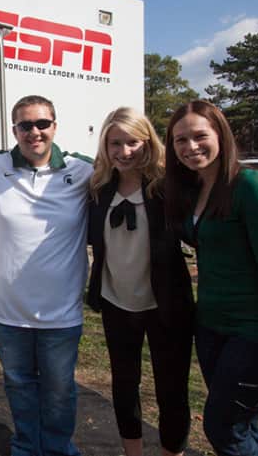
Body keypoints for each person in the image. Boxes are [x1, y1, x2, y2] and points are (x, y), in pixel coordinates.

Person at [164, 100, 258, 456]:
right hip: (213, 328)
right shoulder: (193, 189)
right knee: (242, 423)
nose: (190, 147)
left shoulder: (251, 187)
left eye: (200, 136)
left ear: (221, 134)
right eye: (180, 140)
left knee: (223, 427)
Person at [0, 95, 92, 456]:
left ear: (55, 126)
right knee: (18, 386)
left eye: (42, 124)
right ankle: (25, 447)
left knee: (59, 390)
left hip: (61, 312)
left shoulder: (83, 171)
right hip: (6, 311)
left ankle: (57, 449)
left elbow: (130, 171)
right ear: (14, 129)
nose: (34, 132)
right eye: (25, 125)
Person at [87, 108, 193, 456]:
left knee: (171, 387)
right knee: (125, 384)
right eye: (115, 143)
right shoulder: (99, 188)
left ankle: (170, 452)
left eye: (132, 142)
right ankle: (132, 451)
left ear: (147, 142)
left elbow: (218, 195)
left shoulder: (168, 186)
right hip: (117, 302)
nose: (124, 151)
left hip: (166, 303)